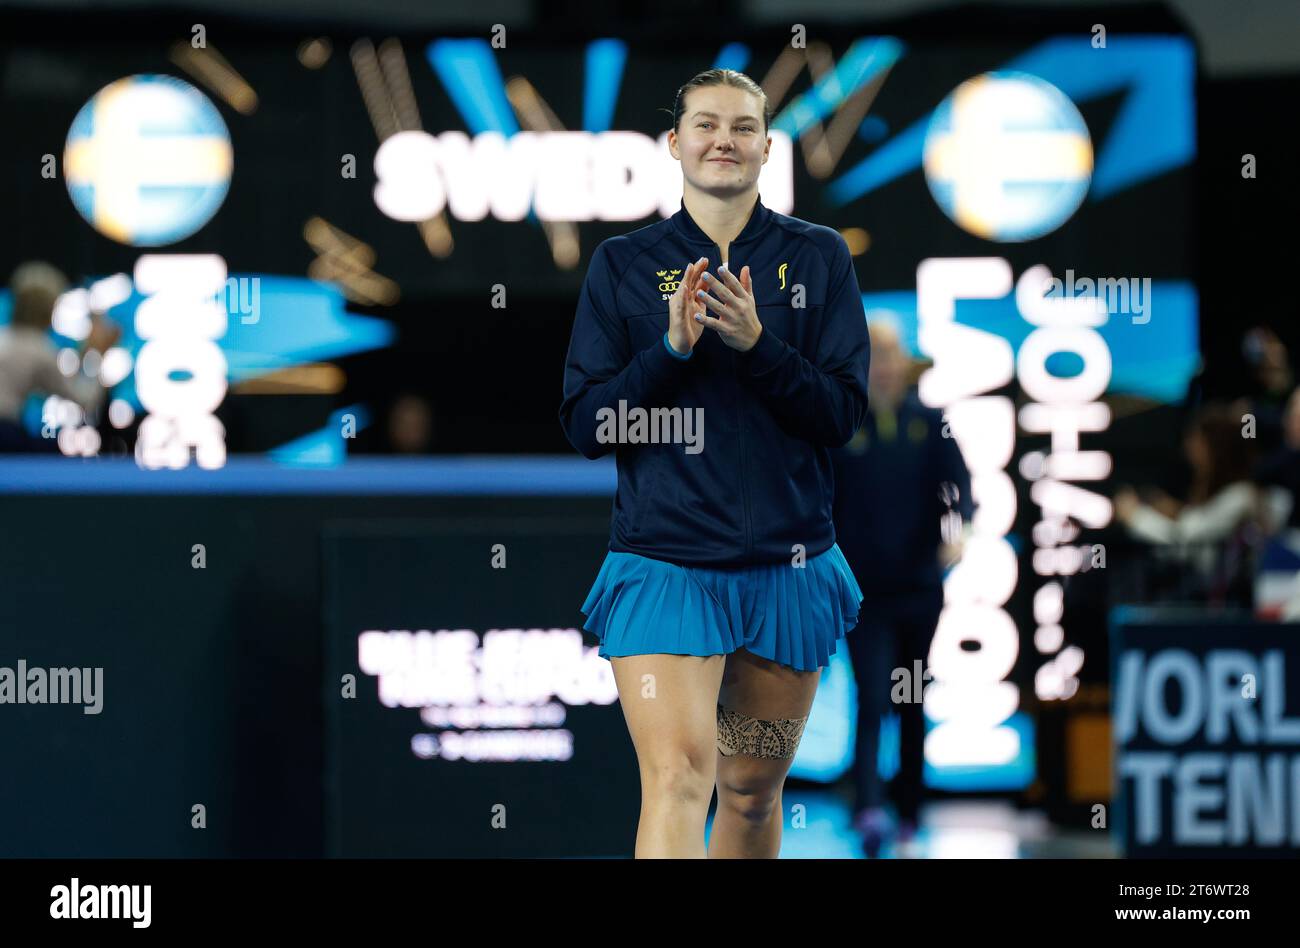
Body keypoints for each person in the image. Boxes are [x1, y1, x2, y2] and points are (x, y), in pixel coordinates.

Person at [558, 69, 872, 858]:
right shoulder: (623, 265)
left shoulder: (821, 258)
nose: (723, 139)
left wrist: (758, 347)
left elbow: (840, 415)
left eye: (741, 126)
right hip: (665, 567)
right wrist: (670, 352)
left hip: (788, 570)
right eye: (705, 124)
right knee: (676, 779)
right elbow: (588, 424)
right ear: (675, 143)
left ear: (768, 146)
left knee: (751, 791)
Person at [830, 319, 973, 856]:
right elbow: (821, 501)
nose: (883, 368)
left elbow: (963, 490)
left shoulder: (929, 422)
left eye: (890, 357)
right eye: (874, 358)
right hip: (864, 592)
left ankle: (910, 808)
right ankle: (867, 806)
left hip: (919, 589)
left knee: (911, 697)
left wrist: (960, 537)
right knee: (870, 697)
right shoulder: (844, 427)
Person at [1114, 403, 1264, 603]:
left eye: (1197, 443)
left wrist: (1134, 516)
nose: (1189, 450)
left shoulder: (1241, 496)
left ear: (1216, 449)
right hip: (1192, 590)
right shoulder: (1224, 494)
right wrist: (1177, 511)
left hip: (1209, 601)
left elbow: (1183, 542)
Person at [0, 261, 118, 452]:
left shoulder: (5, 337)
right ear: (48, 309)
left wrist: (83, 356)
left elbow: (55, 382)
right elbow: (84, 400)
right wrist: (98, 354)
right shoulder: (38, 349)